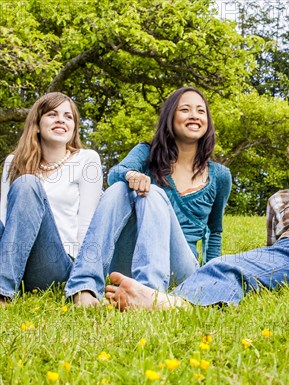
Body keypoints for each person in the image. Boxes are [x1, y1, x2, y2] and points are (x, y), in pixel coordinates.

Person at [104, 122, 289, 318]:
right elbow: (272, 244)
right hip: (288, 248)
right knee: (226, 265)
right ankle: (171, 303)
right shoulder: (279, 198)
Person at [65, 87, 232, 306]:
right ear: (170, 118)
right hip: (133, 257)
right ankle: (83, 286)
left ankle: (150, 291)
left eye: (201, 111)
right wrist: (131, 174)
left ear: (207, 121)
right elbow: (115, 173)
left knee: (152, 193)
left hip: (180, 267)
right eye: (185, 109)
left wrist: (210, 279)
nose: (194, 115)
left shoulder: (219, 175)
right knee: (118, 187)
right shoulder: (146, 152)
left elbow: (215, 231)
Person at [0, 92, 102, 305]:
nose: (61, 120)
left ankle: (2, 292)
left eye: (68, 117)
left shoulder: (86, 160)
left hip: (54, 261)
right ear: (36, 124)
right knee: (25, 183)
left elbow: (87, 226)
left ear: (74, 127)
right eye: (52, 114)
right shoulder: (13, 162)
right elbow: (4, 220)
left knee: (28, 184)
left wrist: (82, 281)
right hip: (11, 256)